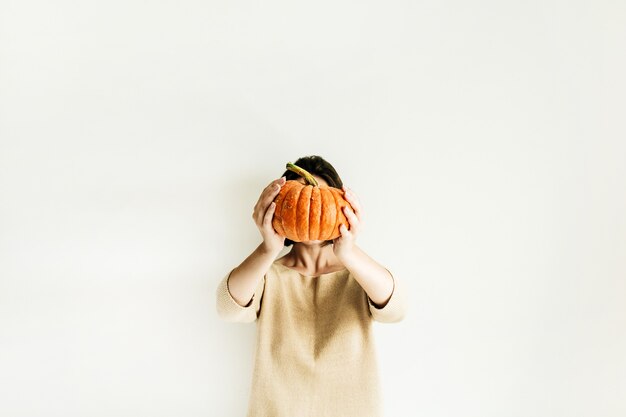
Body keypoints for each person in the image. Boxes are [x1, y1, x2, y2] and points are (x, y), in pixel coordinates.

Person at [216, 155, 406, 417]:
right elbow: (228, 307)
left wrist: (348, 252)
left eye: (321, 198)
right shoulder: (270, 275)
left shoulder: (356, 274)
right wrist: (268, 248)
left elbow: (396, 308)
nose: (312, 207)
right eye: (303, 198)